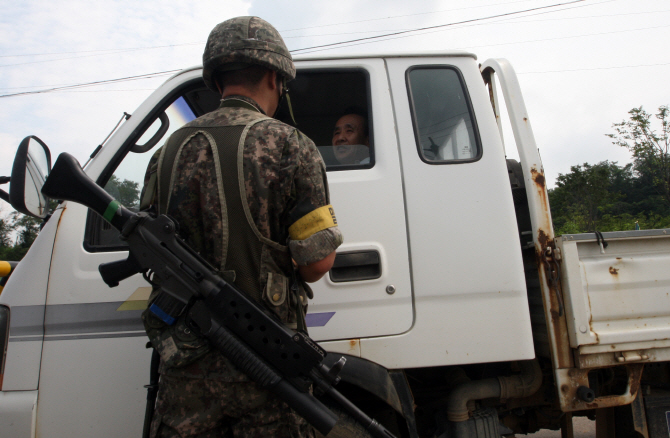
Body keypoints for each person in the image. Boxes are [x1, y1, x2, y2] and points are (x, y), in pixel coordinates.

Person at [139, 16, 343, 438]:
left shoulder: (166, 153)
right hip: (266, 365)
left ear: (216, 82)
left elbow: (148, 244)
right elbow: (317, 262)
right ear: (274, 76)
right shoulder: (293, 145)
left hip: (186, 367)